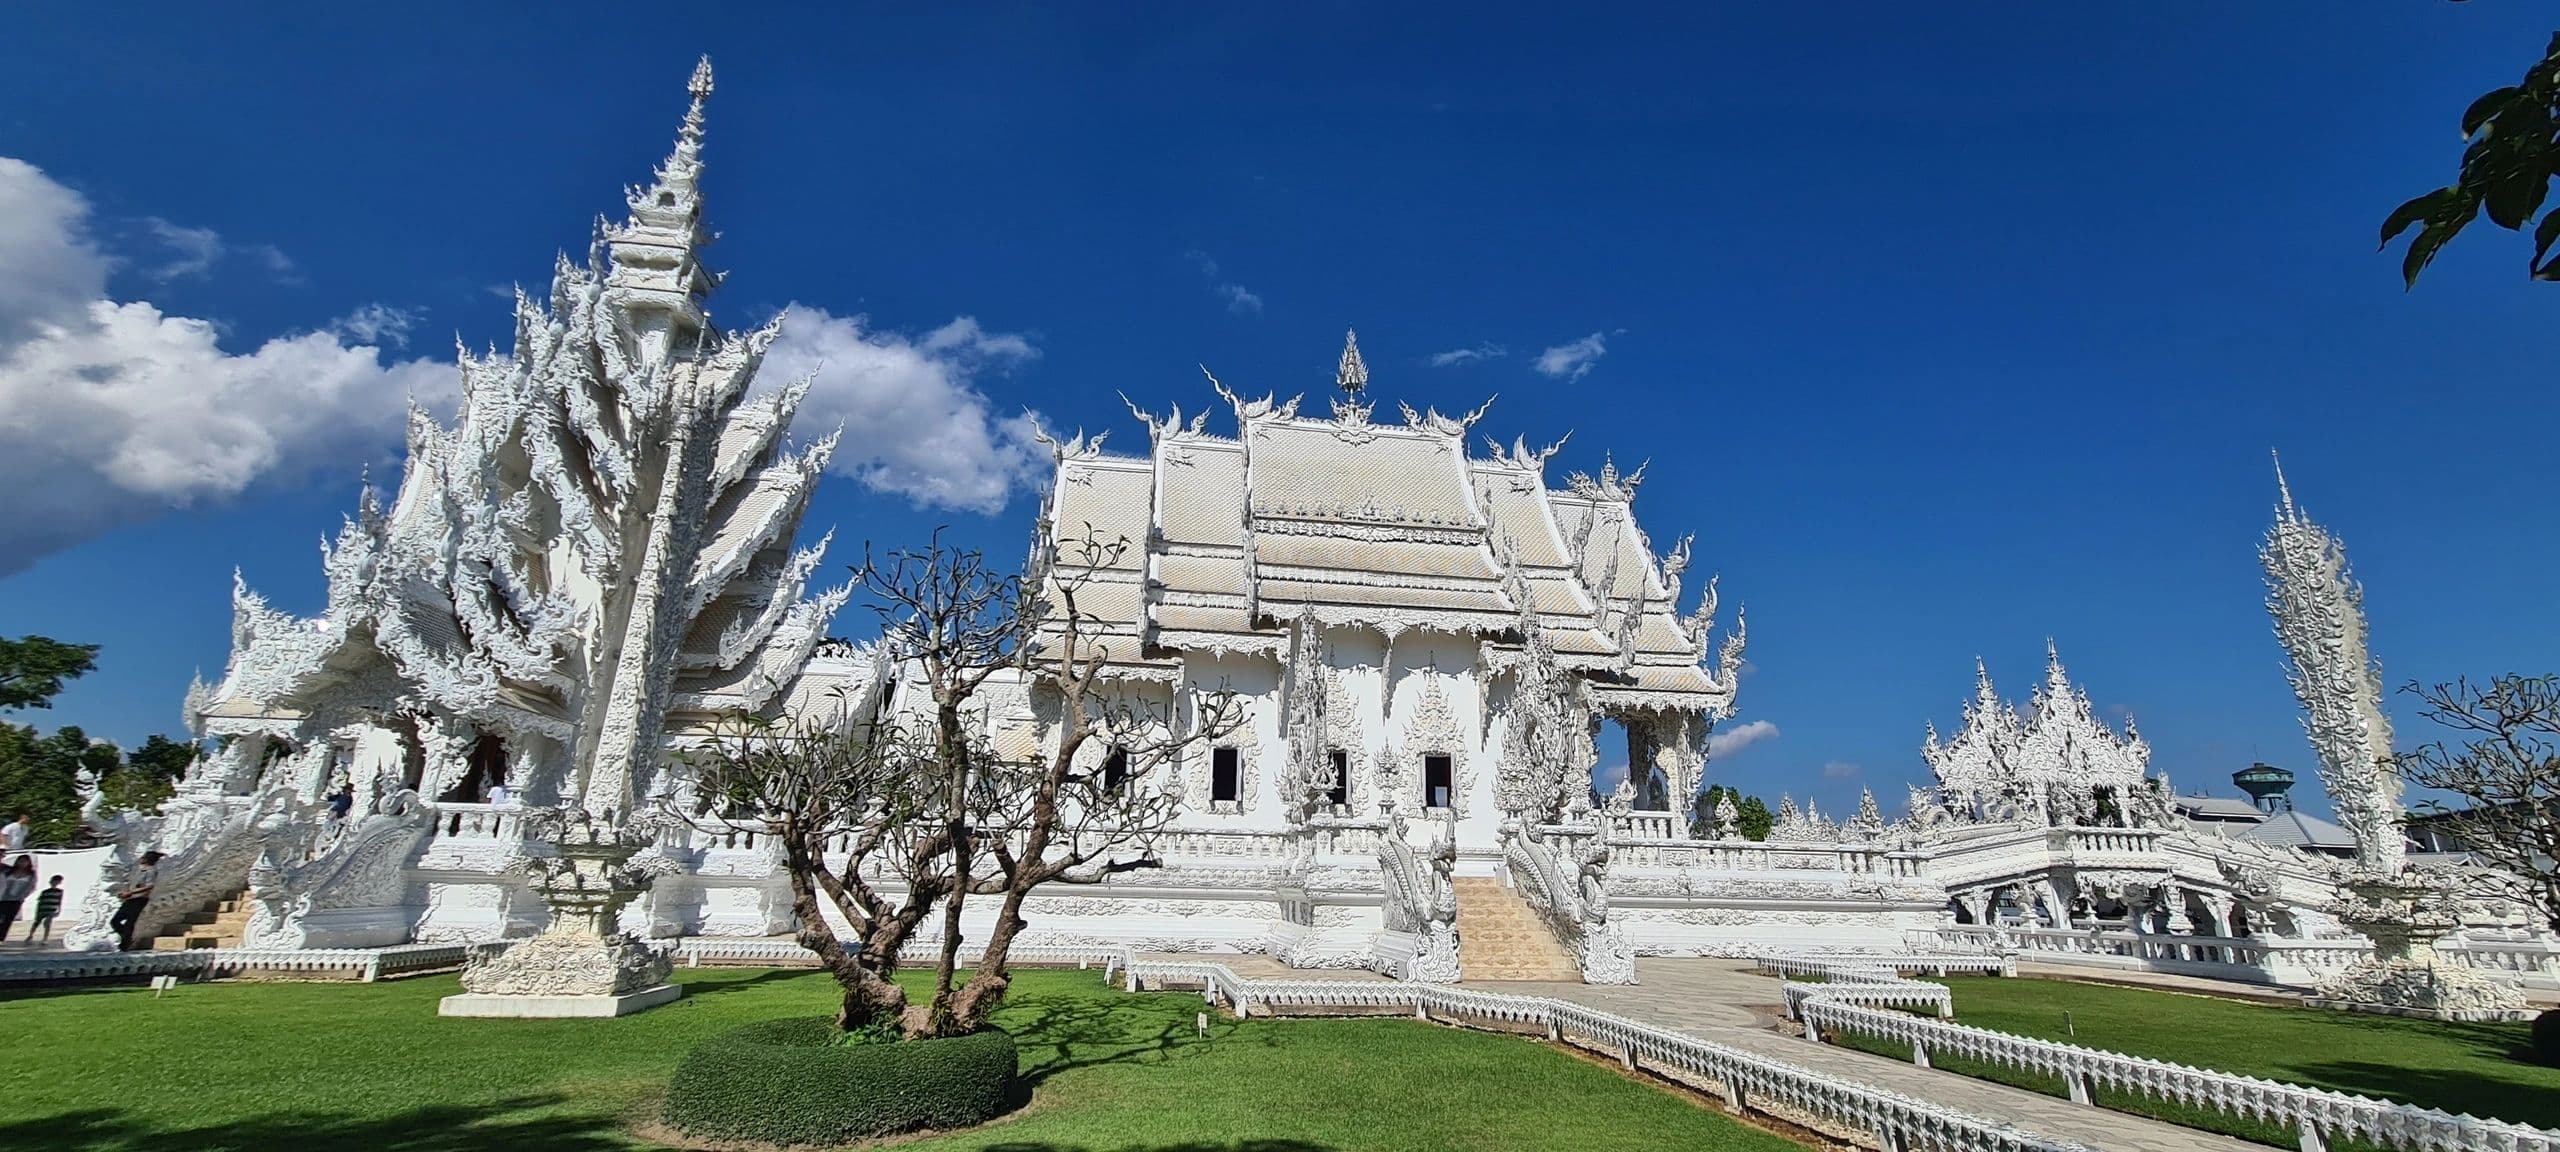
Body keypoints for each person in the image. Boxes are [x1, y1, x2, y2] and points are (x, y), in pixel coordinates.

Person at [109, 850, 162, 951]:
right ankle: (127, 938)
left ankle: (125, 944)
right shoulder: (139, 870)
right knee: (115, 921)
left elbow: (149, 886)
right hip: (131, 898)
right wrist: (125, 892)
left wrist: (131, 892)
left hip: (140, 899)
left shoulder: (151, 871)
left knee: (130, 922)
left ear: (146, 859)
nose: (141, 859)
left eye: (143, 857)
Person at [0, 856, 33, 942]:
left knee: (8, 919)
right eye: (21, 861)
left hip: (16, 900)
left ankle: (1, 938)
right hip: (3, 898)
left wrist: (23, 896)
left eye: (25, 862)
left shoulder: (30, 874)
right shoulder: (8, 871)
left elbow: (31, 887)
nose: (22, 863)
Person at [28, 875, 64, 942]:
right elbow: (40, 902)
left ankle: (45, 938)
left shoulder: (60, 891)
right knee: (36, 923)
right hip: (42, 909)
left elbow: (59, 901)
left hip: (51, 910)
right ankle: (30, 935)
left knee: (47, 923)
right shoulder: (45, 892)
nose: (55, 883)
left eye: (57, 882)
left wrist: (59, 911)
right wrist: (37, 911)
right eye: (54, 881)